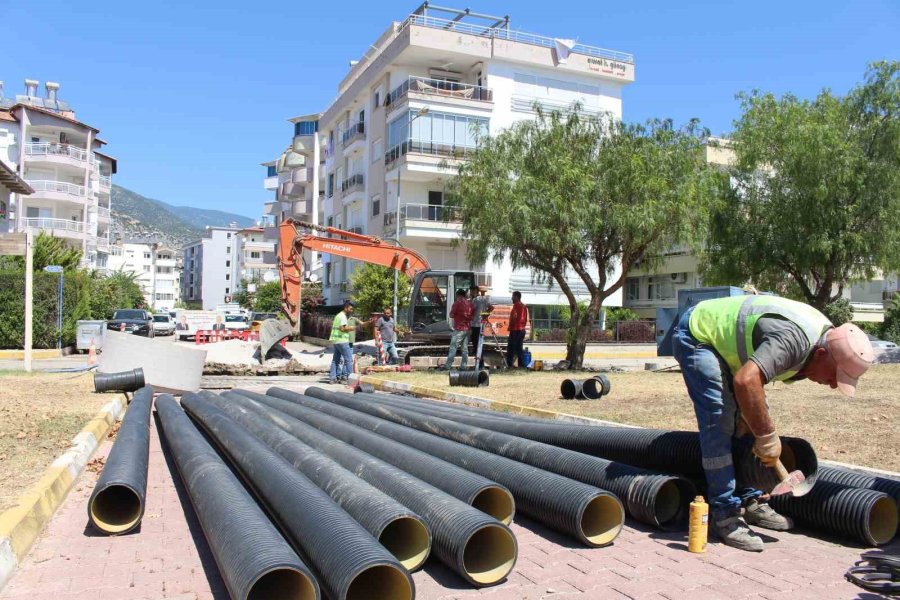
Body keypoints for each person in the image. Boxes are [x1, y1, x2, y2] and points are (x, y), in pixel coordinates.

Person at [672, 294, 875, 552]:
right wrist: (767, 436)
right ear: (822, 354)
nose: (835, 384)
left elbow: (752, 385)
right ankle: (725, 515)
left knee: (748, 419)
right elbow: (747, 381)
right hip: (697, 334)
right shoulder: (795, 342)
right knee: (719, 417)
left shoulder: (822, 343)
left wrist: (754, 423)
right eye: (836, 376)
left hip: (728, 350)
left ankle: (749, 499)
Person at [444, 289, 473, 370]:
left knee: (453, 347)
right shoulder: (469, 304)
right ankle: (463, 366)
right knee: (464, 349)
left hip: (459, 329)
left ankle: (448, 366)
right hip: (467, 329)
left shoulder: (457, 303)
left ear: (458, 295)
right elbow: (472, 316)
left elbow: (451, 315)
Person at [329, 300, 356, 384]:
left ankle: (333, 378)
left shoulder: (338, 315)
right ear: (346, 308)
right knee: (349, 360)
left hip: (336, 341)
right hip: (342, 341)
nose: (351, 310)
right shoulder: (343, 316)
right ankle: (350, 379)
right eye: (350, 309)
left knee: (335, 360)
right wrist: (351, 328)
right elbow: (342, 328)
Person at [469, 285, 493, 369]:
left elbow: (471, 311)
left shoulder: (475, 300)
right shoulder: (484, 299)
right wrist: (484, 315)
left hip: (476, 325)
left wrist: (483, 315)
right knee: (479, 345)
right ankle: (479, 364)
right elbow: (491, 308)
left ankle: (479, 364)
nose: (470, 293)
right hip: (480, 324)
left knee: (476, 345)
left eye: (472, 291)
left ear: (476, 291)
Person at [506, 291, 528, 368]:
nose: (512, 298)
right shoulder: (524, 306)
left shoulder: (516, 306)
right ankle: (521, 365)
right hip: (522, 329)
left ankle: (509, 364)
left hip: (515, 329)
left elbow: (514, 317)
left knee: (511, 348)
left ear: (516, 297)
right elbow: (525, 319)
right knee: (519, 348)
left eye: (513, 296)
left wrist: (510, 326)